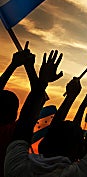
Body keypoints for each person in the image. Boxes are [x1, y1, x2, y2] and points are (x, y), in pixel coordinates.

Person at [4, 46, 87, 177]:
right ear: (79, 151)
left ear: (44, 141)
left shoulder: (16, 167)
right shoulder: (78, 174)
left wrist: (45, 83)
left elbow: (24, 124)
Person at [0, 42, 35, 177]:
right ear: (15, 114)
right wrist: (30, 69)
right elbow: (35, 102)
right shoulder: (12, 134)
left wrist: (13, 64)